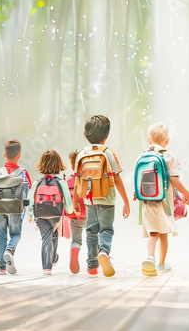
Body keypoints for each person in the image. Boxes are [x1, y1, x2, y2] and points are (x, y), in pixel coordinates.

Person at [73, 115, 130, 277]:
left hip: (89, 199)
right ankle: (104, 251)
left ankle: (92, 265)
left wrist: (76, 201)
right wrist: (126, 202)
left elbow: (77, 180)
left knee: (91, 230)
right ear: (106, 136)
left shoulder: (81, 155)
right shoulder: (108, 154)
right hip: (107, 199)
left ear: (86, 135)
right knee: (106, 229)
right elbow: (117, 179)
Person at [136, 122, 189, 276]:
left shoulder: (142, 155)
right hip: (163, 202)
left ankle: (150, 257)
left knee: (153, 233)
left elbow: (138, 179)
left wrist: (136, 193)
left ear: (149, 140)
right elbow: (174, 180)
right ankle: (161, 263)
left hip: (146, 201)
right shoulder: (168, 155)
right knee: (163, 233)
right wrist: (187, 193)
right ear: (167, 141)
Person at [0, 139, 32, 275]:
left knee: (1, 236)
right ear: (20, 155)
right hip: (16, 209)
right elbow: (27, 194)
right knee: (16, 234)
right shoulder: (23, 173)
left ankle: (2, 266)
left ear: (4, 154)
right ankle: (9, 250)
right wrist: (29, 213)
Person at [28, 150, 73, 275]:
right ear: (59, 164)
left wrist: (32, 214)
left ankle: (48, 264)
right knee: (53, 234)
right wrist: (70, 211)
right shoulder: (61, 182)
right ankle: (50, 262)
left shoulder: (37, 183)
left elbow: (30, 201)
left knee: (46, 238)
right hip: (55, 214)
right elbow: (68, 202)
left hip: (40, 215)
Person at [67, 150, 87, 274]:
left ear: (71, 166)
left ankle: (75, 250)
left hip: (74, 216)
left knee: (76, 240)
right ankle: (93, 262)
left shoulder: (68, 180)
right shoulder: (87, 178)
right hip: (88, 213)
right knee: (93, 237)